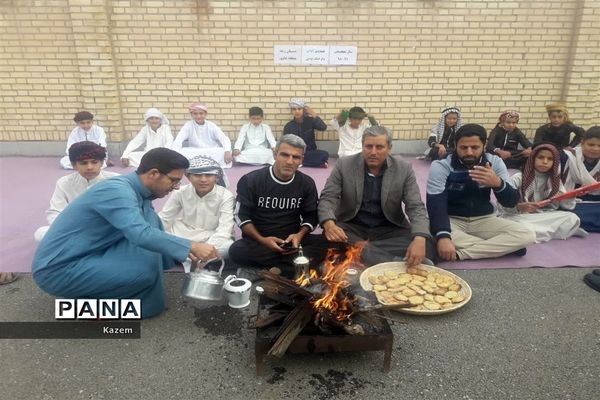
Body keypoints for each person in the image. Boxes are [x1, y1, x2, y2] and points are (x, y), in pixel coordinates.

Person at [32, 148, 219, 318]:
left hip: (88, 253)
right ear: (154, 174)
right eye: (174, 180)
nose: (176, 187)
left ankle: (127, 291)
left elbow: (148, 230)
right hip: (58, 270)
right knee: (144, 275)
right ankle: (76, 309)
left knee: (152, 228)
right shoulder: (117, 190)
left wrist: (184, 252)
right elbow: (140, 234)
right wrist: (191, 246)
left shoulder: (138, 191)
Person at [318, 126, 435, 266]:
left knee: (426, 243)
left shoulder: (403, 168)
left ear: (389, 148)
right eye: (368, 146)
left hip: (389, 229)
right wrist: (329, 224)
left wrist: (420, 238)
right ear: (362, 146)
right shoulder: (344, 165)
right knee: (328, 239)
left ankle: (364, 251)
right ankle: (392, 262)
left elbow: (415, 206)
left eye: (379, 147)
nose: (373, 152)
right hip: (352, 227)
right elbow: (328, 197)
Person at [426, 123, 536, 261]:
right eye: (464, 147)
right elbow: (436, 204)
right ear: (455, 145)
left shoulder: (494, 162)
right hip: (452, 220)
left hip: (484, 219)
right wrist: (443, 236)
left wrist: (498, 183)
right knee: (434, 230)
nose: (469, 152)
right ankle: (500, 248)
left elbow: (511, 201)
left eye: (475, 147)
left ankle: (460, 254)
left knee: (527, 235)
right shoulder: (441, 165)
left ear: (484, 146)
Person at [229, 134, 329, 277]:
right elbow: (241, 215)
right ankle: (293, 268)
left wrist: (299, 235)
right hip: (260, 241)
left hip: (292, 242)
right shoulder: (251, 180)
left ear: (302, 160)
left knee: (332, 244)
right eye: (284, 155)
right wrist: (262, 240)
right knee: (236, 250)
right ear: (275, 154)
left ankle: (270, 270)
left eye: (296, 157)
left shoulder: (306, 183)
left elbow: (311, 215)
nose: (289, 161)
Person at [159, 155, 235, 272]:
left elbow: (224, 230)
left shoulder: (226, 196)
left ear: (216, 177)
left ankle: (183, 256)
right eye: (198, 175)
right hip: (182, 234)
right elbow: (164, 218)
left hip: (211, 237)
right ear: (188, 176)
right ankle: (198, 260)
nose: (203, 180)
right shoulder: (180, 192)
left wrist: (204, 249)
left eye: (209, 175)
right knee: (157, 236)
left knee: (230, 248)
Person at [34, 141, 119, 242]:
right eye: (83, 163)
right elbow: (55, 211)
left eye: (94, 162)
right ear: (74, 165)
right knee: (40, 234)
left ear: (101, 163)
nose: (89, 167)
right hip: (75, 230)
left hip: (107, 230)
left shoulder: (116, 180)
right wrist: (70, 229)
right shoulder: (64, 183)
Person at [498, 143, 582, 242]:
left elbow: (567, 207)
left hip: (542, 215)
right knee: (517, 224)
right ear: (533, 159)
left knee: (572, 218)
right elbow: (501, 204)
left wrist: (569, 197)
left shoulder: (555, 181)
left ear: (555, 162)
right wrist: (518, 206)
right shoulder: (518, 178)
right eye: (541, 157)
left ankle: (529, 234)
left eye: (550, 159)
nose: (545, 162)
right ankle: (553, 231)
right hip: (519, 216)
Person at [171, 102, 233, 168]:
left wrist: (227, 151)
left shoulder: (211, 125)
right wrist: (175, 154)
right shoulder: (188, 125)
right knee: (182, 151)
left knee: (224, 151)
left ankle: (199, 164)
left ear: (205, 114)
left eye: (201, 113)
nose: (198, 116)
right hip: (195, 151)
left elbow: (223, 138)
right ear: (191, 114)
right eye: (195, 114)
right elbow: (179, 139)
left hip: (211, 151)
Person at [563, 126, 600, 232]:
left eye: (599, 146)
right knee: (564, 214)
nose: (595, 149)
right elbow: (559, 189)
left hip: (596, 203)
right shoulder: (568, 157)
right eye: (591, 144)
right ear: (582, 143)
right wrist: (577, 192)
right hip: (573, 203)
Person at [283, 98, 329, 168]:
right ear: (291, 111)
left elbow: (323, 127)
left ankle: (301, 162)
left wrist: (313, 114)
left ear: (303, 110)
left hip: (310, 152)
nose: (297, 111)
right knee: (289, 155)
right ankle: (315, 163)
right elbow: (286, 143)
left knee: (325, 154)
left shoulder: (310, 121)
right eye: (294, 109)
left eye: (299, 109)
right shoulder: (288, 126)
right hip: (295, 152)